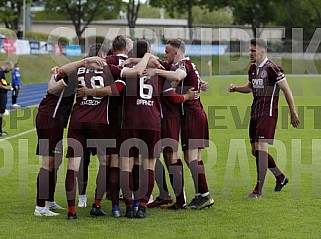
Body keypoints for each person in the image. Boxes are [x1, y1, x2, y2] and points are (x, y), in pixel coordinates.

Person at [65, 48, 152, 220]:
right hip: (100, 122)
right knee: (107, 162)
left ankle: (72, 211)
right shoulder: (108, 68)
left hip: (77, 120)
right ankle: (98, 204)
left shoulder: (79, 68)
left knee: (72, 166)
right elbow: (130, 77)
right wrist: (147, 56)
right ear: (103, 56)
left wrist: (81, 64)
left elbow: (59, 73)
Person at [146, 39, 214, 210]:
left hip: (191, 116)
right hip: (193, 115)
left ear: (176, 53)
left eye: (167, 51)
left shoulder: (183, 65)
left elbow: (178, 76)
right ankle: (200, 195)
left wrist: (156, 72)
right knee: (192, 158)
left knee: (191, 158)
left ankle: (205, 195)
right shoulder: (186, 64)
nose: (165, 54)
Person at [229, 38, 300, 198]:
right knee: (255, 151)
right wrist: (236, 89)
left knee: (261, 150)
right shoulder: (253, 68)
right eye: (250, 50)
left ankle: (258, 190)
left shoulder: (273, 68)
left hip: (268, 113)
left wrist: (293, 112)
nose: (250, 53)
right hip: (255, 112)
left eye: (253, 51)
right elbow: (249, 87)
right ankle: (280, 177)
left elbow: (287, 91)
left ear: (262, 51)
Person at [0, 61, 14, 136]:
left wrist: (8, 85)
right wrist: (6, 87)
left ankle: (0, 131)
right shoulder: (0, 71)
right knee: (1, 112)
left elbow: (3, 82)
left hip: (2, 94)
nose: (10, 71)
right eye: (10, 69)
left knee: (1, 112)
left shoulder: (2, 72)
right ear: (7, 66)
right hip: (1, 94)